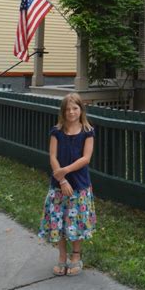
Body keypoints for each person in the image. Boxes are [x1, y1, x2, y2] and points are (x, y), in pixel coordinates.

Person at [38, 93, 96, 276]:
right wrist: (61, 179)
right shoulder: (57, 131)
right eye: (68, 109)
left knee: (76, 221)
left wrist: (65, 171)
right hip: (58, 185)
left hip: (79, 185)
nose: (71, 112)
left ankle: (76, 256)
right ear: (63, 112)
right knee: (58, 221)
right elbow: (53, 156)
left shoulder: (88, 132)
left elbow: (86, 158)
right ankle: (62, 256)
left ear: (81, 110)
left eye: (75, 108)